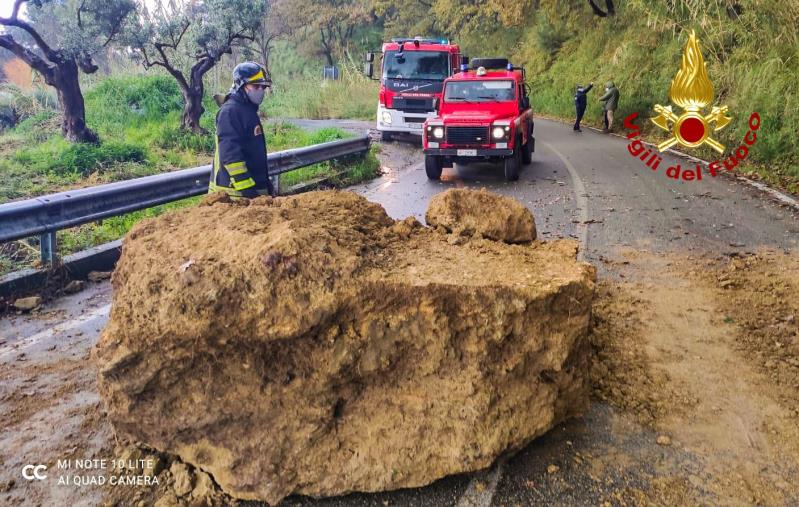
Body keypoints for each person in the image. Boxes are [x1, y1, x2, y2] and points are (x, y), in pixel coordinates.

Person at [208, 62, 274, 198]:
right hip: (234, 197)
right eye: (256, 86)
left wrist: (265, 185)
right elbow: (231, 157)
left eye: (263, 87)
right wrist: (249, 193)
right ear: (241, 85)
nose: (260, 90)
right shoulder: (230, 111)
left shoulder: (247, 109)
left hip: (252, 193)